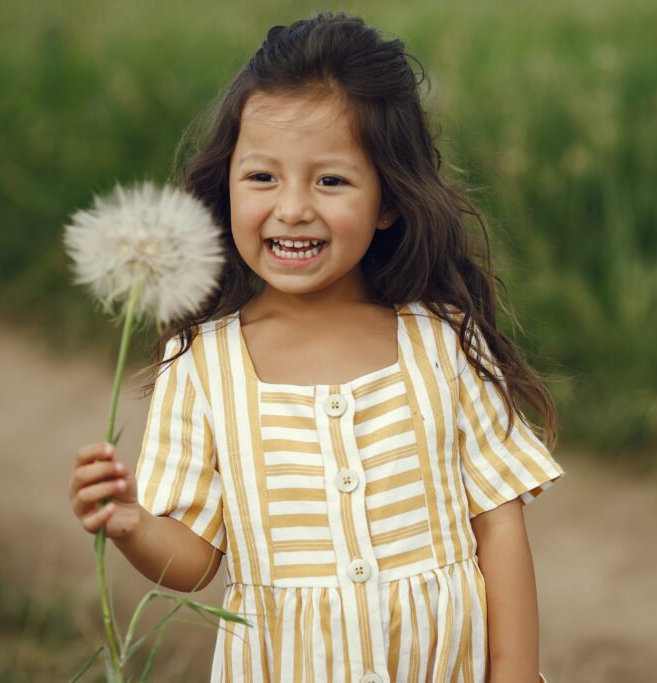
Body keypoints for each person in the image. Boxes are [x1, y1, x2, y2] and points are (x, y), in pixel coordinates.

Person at [68, 12, 563, 682]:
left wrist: (514, 674)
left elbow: (499, 527)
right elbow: (192, 562)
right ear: (227, 183)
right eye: (262, 177)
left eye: (330, 181)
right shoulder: (204, 366)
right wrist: (130, 524)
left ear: (388, 197)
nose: (293, 207)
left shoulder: (440, 343)